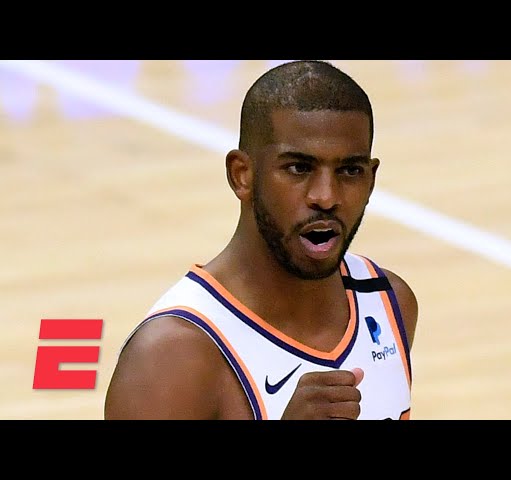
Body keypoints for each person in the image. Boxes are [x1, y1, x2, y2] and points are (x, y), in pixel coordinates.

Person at [104, 60, 419, 420]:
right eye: (299, 168)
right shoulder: (172, 356)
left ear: (371, 179)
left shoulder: (390, 302)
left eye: (350, 170)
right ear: (242, 175)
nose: (326, 196)